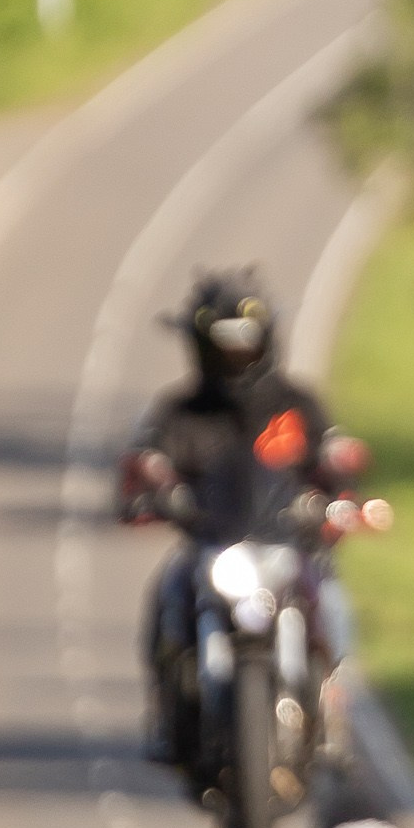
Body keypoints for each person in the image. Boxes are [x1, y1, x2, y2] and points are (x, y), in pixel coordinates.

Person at [120, 273, 360, 767]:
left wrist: (336, 485)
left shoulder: (295, 404)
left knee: (331, 599)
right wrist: (151, 486)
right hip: (213, 545)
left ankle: (332, 705)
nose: (234, 357)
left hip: (288, 543)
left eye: (244, 345)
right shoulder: (178, 411)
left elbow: (333, 454)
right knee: (167, 592)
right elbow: (145, 457)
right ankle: (166, 712)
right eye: (222, 347)